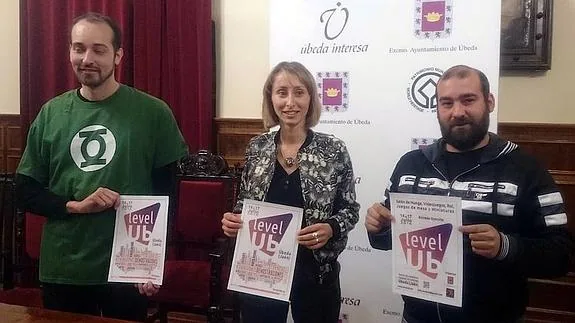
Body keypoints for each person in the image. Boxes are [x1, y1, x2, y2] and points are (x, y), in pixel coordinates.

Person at [365, 65, 573, 323]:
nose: (457, 112)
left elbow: (562, 255)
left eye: (468, 100)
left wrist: (505, 246)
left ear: (489, 102)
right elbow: (389, 240)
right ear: (438, 109)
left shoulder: (526, 169)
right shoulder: (410, 165)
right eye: (447, 103)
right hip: (417, 317)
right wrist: (378, 228)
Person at [15, 12, 188, 322]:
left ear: (118, 55)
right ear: (69, 51)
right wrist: (76, 206)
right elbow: (25, 191)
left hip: (127, 267)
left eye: (99, 49)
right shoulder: (51, 113)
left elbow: (168, 196)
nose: (87, 58)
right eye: (78, 48)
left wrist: (153, 262)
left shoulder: (153, 113)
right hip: (64, 266)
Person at [221, 61, 360, 323]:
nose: (290, 102)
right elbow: (244, 204)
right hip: (261, 271)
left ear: (310, 98)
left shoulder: (333, 150)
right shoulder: (256, 147)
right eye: (282, 92)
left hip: (315, 272)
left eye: (299, 92)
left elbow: (350, 210)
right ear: (270, 98)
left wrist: (331, 227)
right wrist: (233, 220)